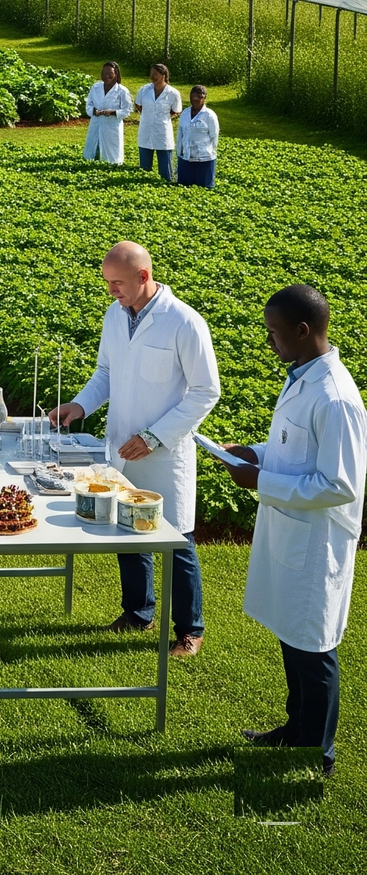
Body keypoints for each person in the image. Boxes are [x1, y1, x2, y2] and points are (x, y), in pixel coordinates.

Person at [52, 240, 221, 656]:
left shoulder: (184, 322)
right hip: (121, 450)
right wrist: (80, 404)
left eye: (118, 283)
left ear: (144, 277)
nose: (112, 291)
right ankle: (138, 612)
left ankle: (190, 629)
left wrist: (153, 438)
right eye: (108, 283)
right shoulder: (116, 315)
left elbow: (205, 392)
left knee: (177, 540)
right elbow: (106, 371)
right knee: (128, 530)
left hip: (164, 454)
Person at [224, 284, 365, 777]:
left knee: (314, 646)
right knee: (292, 637)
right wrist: (257, 455)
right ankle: (295, 729)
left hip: (317, 540)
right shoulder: (302, 375)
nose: (270, 342)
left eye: (275, 333)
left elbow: (340, 484)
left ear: (303, 331)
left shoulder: (336, 398)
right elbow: (294, 448)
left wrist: (261, 480)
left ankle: (317, 753)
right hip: (291, 530)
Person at [135, 62, 182, 184]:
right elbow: (138, 104)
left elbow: (176, 110)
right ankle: (144, 183)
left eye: (155, 74)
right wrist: (149, 115)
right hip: (146, 128)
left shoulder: (173, 93)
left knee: (165, 166)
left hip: (162, 130)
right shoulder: (144, 90)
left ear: (163, 75)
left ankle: (166, 182)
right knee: (144, 166)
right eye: (151, 74)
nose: (152, 77)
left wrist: (160, 117)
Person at [83, 62, 132, 164]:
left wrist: (113, 112)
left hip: (112, 125)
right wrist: (94, 111)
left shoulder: (122, 91)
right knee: (92, 148)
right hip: (96, 122)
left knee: (111, 155)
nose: (106, 76)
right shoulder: (95, 87)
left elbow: (127, 110)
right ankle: (91, 161)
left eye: (110, 73)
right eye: (103, 73)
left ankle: (111, 164)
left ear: (116, 74)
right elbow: (89, 104)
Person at [177, 85, 219, 189]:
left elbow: (214, 136)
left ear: (204, 98)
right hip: (186, 157)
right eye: (193, 96)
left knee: (204, 188)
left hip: (205, 158)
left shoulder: (209, 115)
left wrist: (210, 150)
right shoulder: (185, 113)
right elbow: (181, 134)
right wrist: (179, 152)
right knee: (184, 187)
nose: (195, 99)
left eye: (198, 96)